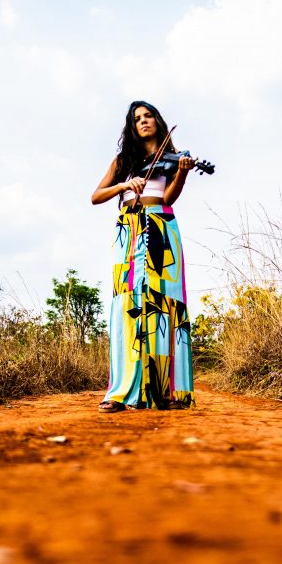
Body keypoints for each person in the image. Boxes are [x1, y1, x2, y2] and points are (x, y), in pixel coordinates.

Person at [90, 101, 197, 412]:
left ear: (157, 121)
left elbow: (168, 197)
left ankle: (165, 392)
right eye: (137, 118)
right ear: (132, 126)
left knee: (164, 305)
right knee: (128, 303)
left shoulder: (171, 159)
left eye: (148, 116)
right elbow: (96, 196)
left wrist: (183, 174)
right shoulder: (123, 161)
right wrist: (125, 183)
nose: (144, 121)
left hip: (162, 225)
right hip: (129, 229)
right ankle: (122, 391)